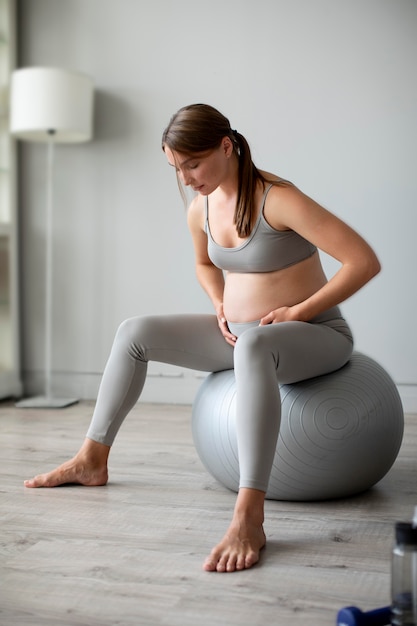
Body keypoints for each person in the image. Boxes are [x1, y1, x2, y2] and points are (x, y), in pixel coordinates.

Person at [24, 103, 381, 573]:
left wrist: (298, 311)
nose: (187, 178)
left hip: (314, 334)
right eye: (177, 169)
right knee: (135, 332)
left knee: (255, 345)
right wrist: (218, 302)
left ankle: (249, 516)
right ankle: (92, 458)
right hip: (243, 339)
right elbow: (204, 264)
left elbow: (363, 261)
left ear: (226, 146)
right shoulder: (202, 207)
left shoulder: (279, 198)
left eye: (193, 164)